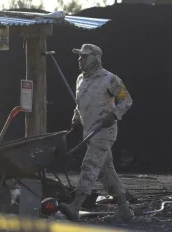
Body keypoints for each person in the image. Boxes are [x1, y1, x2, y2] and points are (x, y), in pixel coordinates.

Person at [60, 43, 133, 223]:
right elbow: (80, 104)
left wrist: (114, 114)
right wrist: (76, 119)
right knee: (106, 173)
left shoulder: (110, 79)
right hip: (89, 132)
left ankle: (75, 206)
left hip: (104, 132)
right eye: (79, 56)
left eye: (83, 56)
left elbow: (127, 100)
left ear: (94, 58)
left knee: (89, 165)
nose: (80, 59)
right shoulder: (80, 79)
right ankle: (124, 210)